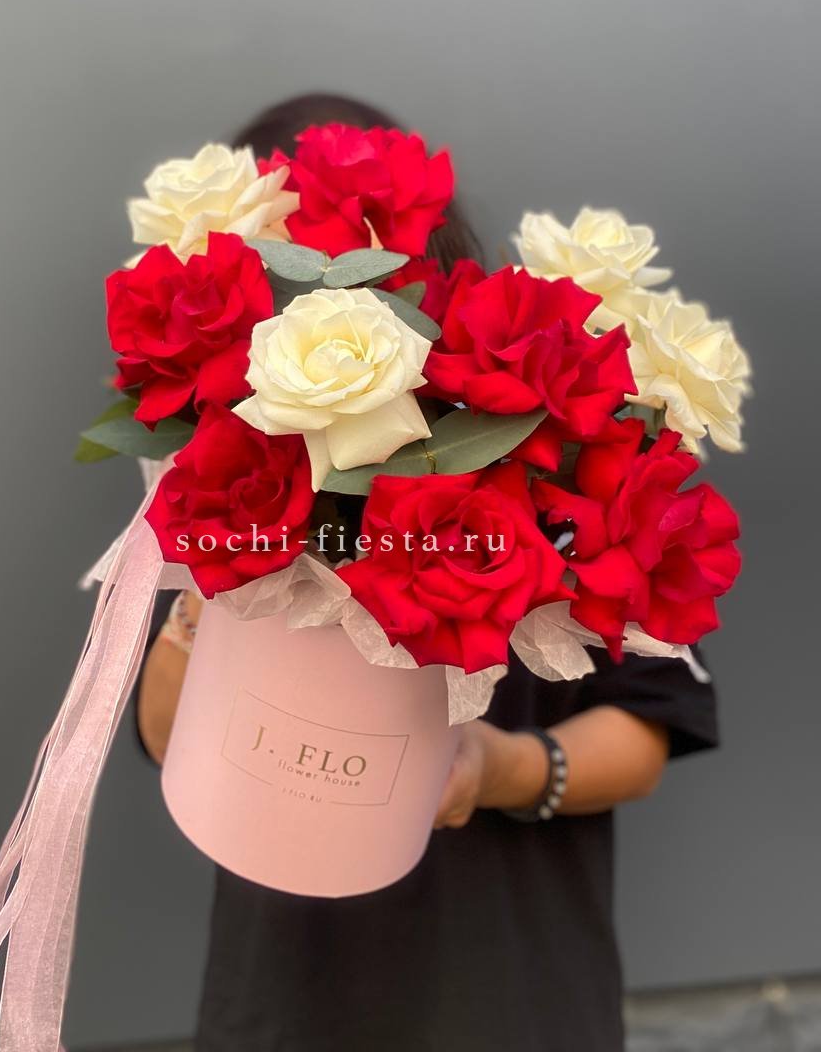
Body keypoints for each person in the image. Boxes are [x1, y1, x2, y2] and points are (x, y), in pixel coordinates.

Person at [136, 92, 719, 1052]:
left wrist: (500, 769)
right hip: (284, 1000)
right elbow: (165, 738)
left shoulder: (555, 446)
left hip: (508, 988)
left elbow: (652, 726)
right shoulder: (216, 468)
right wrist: (213, 582)